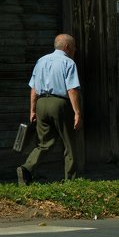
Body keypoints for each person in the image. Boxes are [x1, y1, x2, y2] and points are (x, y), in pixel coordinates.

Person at [17, 33, 83, 184]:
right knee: (69, 143)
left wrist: (32, 110)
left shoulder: (41, 61)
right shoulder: (68, 62)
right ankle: (70, 181)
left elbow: (33, 89)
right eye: (74, 47)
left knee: (44, 143)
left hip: (41, 103)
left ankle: (26, 168)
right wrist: (77, 113)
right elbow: (72, 89)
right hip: (59, 103)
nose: (75, 50)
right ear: (67, 47)